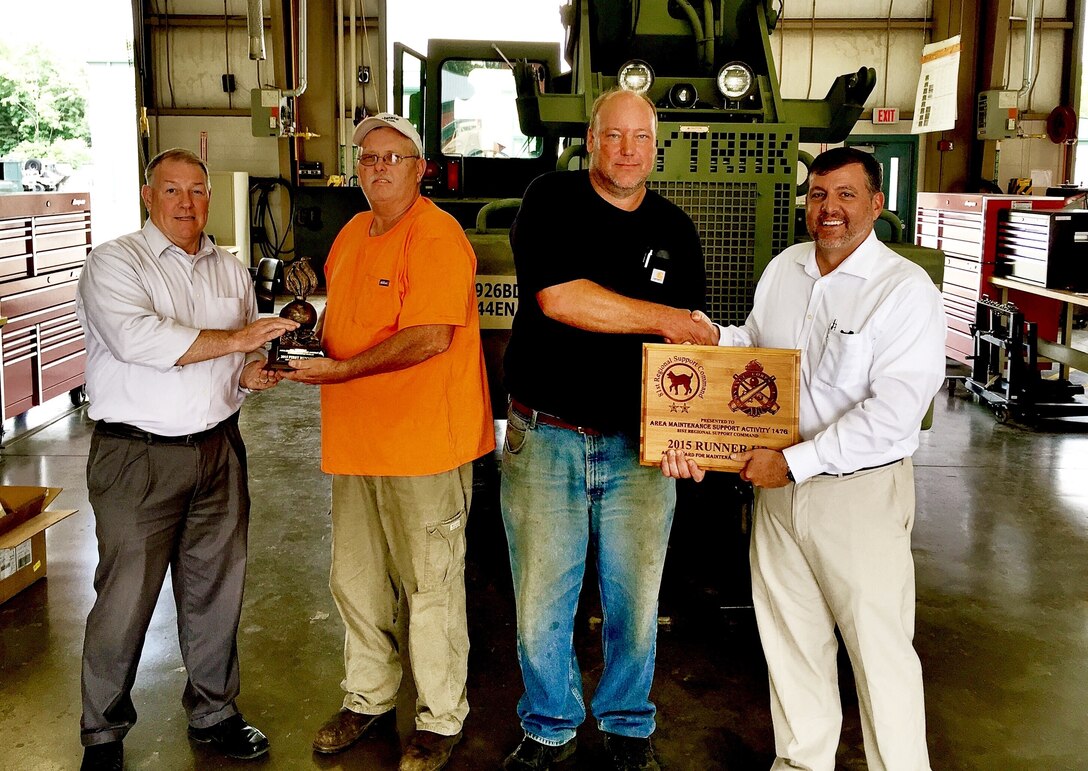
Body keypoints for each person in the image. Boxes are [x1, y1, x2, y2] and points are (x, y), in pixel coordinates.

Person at [663, 146, 946, 770]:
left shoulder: (902, 291)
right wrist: (710, 338)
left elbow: (893, 415)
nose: (830, 209)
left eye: (846, 195)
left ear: (877, 203)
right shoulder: (786, 269)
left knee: (879, 651)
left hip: (857, 494)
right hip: (776, 488)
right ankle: (799, 763)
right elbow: (756, 350)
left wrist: (793, 463)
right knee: (791, 640)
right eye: (819, 195)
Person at [498, 88, 714, 771]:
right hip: (548, 436)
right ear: (591, 140)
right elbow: (560, 297)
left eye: (640, 138)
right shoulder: (549, 198)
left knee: (635, 597)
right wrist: (665, 316)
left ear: (656, 147)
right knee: (541, 598)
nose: (626, 149)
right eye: (613, 135)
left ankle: (626, 722)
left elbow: (688, 355)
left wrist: (691, 433)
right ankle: (550, 723)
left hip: (639, 448)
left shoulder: (677, 229)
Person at [75, 148, 298, 770]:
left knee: (216, 593)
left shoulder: (228, 269)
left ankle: (214, 712)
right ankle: (103, 734)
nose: (186, 203)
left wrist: (252, 371)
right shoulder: (116, 262)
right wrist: (241, 339)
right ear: (149, 196)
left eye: (197, 191)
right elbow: (140, 340)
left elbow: (235, 357)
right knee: (125, 600)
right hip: (138, 457)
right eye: (172, 191)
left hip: (218, 448)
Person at [282, 113, 494, 771]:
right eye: (368, 156)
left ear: (419, 167)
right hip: (357, 443)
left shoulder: (435, 236)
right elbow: (346, 319)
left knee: (429, 586)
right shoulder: (352, 231)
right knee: (358, 582)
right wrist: (304, 324)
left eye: (393, 157)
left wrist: (338, 369)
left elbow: (429, 335)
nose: (378, 168)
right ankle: (369, 696)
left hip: (424, 446)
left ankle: (438, 715)